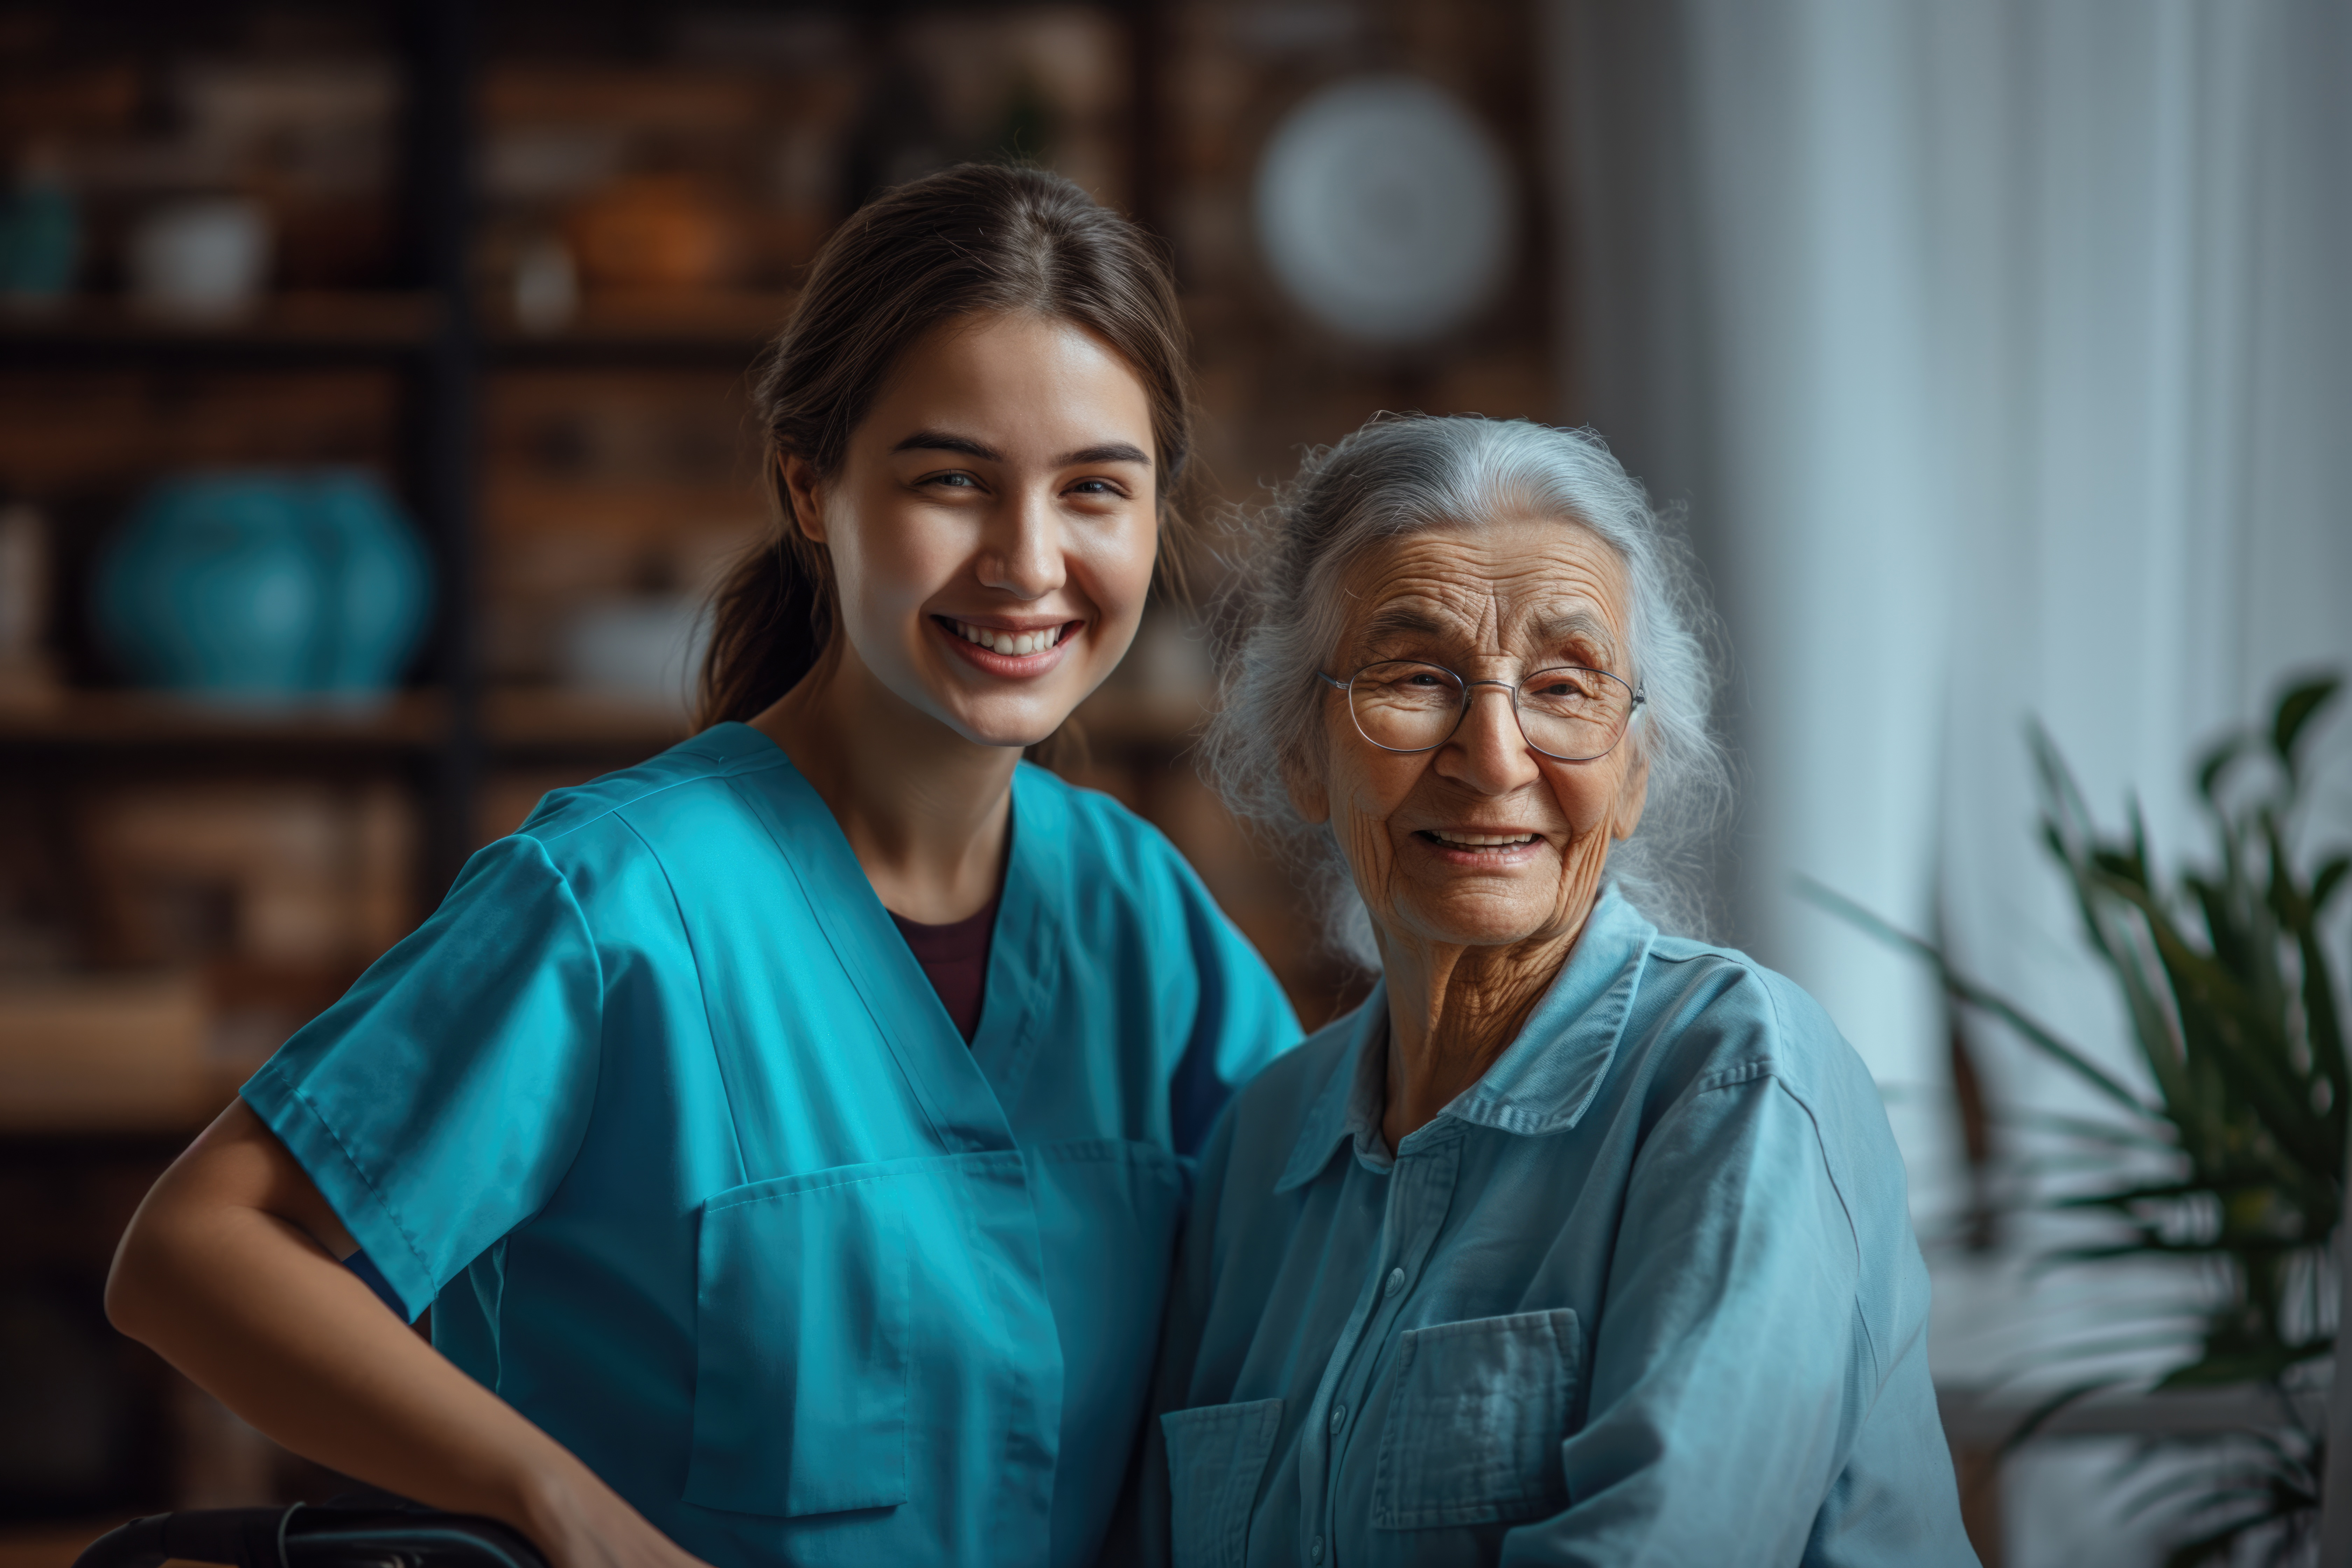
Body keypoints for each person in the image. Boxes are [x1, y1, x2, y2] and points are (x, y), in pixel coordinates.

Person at [104, 164, 1300, 1568]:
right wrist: (558, 1507)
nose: (1029, 562)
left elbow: (1335, 1271)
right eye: (951, 482)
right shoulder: (613, 905)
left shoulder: (1141, 916)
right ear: (812, 484)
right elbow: (193, 1254)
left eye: (1096, 489)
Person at [1135, 415, 1977, 1566]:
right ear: (1301, 750)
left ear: (1633, 772)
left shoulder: (1739, 1083)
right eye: (1416, 675)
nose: (1494, 756)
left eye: (1566, 685)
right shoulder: (1260, 1150)